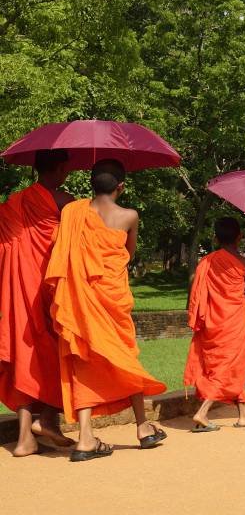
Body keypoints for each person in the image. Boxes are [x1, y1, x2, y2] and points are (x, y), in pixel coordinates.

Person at [45, 160, 168, 462]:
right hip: (112, 298)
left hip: (82, 301)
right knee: (125, 355)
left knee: (83, 359)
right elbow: (129, 253)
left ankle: (85, 437)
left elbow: (62, 252)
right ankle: (142, 428)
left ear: (91, 184)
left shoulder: (72, 213)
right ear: (121, 186)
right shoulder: (129, 216)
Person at [0, 149, 75, 456]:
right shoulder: (65, 202)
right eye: (66, 169)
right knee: (54, 352)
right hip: (49, 289)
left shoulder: (13, 203)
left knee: (23, 353)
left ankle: (24, 438)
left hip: (17, 290)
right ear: (58, 169)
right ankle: (48, 421)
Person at [185, 217, 245, 431]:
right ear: (240, 237)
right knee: (227, 365)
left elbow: (197, 293)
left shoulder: (206, 261)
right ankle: (202, 412)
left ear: (216, 238)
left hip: (211, 321)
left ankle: (244, 413)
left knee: (229, 365)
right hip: (234, 321)